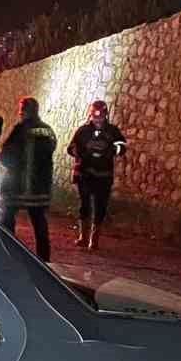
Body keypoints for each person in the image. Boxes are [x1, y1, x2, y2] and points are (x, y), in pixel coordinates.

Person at [0, 95, 58, 262]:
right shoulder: (47, 130)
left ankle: (8, 253)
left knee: (7, 220)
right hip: (39, 187)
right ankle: (45, 260)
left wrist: (11, 167)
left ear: (24, 111)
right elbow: (51, 149)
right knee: (39, 223)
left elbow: (6, 154)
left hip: (18, 186)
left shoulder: (20, 130)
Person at [67, 99, 127, 251]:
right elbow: (71, 147)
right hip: (85, 174)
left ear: (105, 115)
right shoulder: (83, 131)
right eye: (95, 116)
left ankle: (94, 240)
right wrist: (80, 153)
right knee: (84, 205)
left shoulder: (113, 132)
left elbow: (122, 146)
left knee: (100, 206)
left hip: (104, 175)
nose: (98, 120)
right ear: (91, 115)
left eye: (100, 117)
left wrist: (111, 151)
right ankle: (83, 236)